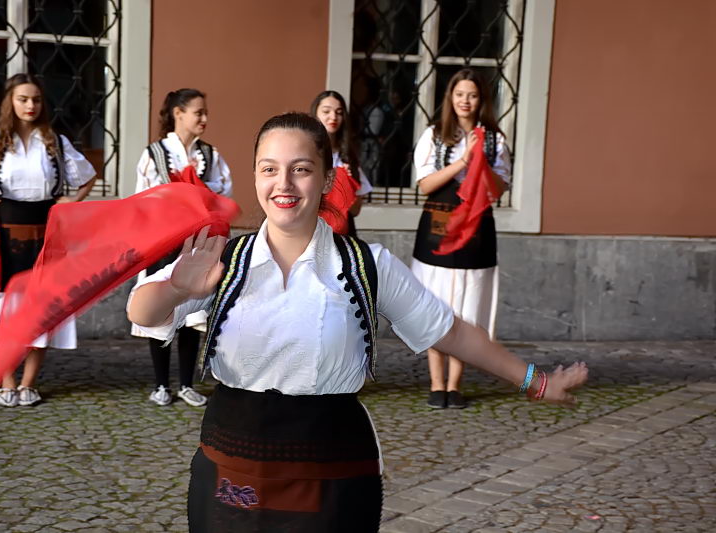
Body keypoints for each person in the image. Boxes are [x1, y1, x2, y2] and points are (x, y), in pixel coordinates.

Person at [127, 112, 587, 532]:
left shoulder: (368, 265)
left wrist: (534, 380)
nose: (283, 183)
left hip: (332, 469)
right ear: (255, 176)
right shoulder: (221, 259)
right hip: (231, 465)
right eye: (269, 169)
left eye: (300, 169)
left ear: (327, 177)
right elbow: (142, 312)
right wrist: (178, 289)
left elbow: (451, 331)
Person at [0, 73, 96, 407]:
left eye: (36, 99)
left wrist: (73, 200)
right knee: (2, 310)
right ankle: (7, 382)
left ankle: (29, 383)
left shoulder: (55, 142)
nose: (31, 105)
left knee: (41, 309)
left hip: (46, 233)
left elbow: (87, 176)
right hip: (4, 234)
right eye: (23, 99)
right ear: (10, 102)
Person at [411, 68, 512, 410]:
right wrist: (463, 162)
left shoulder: (495, 140)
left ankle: (454, 384)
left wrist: (481, 163)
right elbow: (425, 185)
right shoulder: (434, 135)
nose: (465, 101)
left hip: (477, 226)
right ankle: (436, 382)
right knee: (435, 301)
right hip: (439, 224)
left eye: (472, 95)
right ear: (450, 98)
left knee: (468, 305)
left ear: (481, 100)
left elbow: (497, 190)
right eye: (459, 94)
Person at [133, 88, 232, 407]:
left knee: (192, 312)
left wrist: (200, 191)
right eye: (198, 112)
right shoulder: (154, 154)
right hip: (162, 241)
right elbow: (141, 200)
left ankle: (187, 383)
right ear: (178, 113)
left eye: (205, 112)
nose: (204, 118)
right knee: (160, 306)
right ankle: (161, 384)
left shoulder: (211, 155)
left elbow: (225, 194)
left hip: (197, 242)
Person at [310, 90, 372, 236]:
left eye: (339, 112)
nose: (333, 117)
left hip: (342, 232)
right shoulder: (306, 151)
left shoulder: (347, 157)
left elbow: (355, 211)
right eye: (326, 111)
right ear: (315, 114)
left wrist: (349, 182)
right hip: (312, 229)